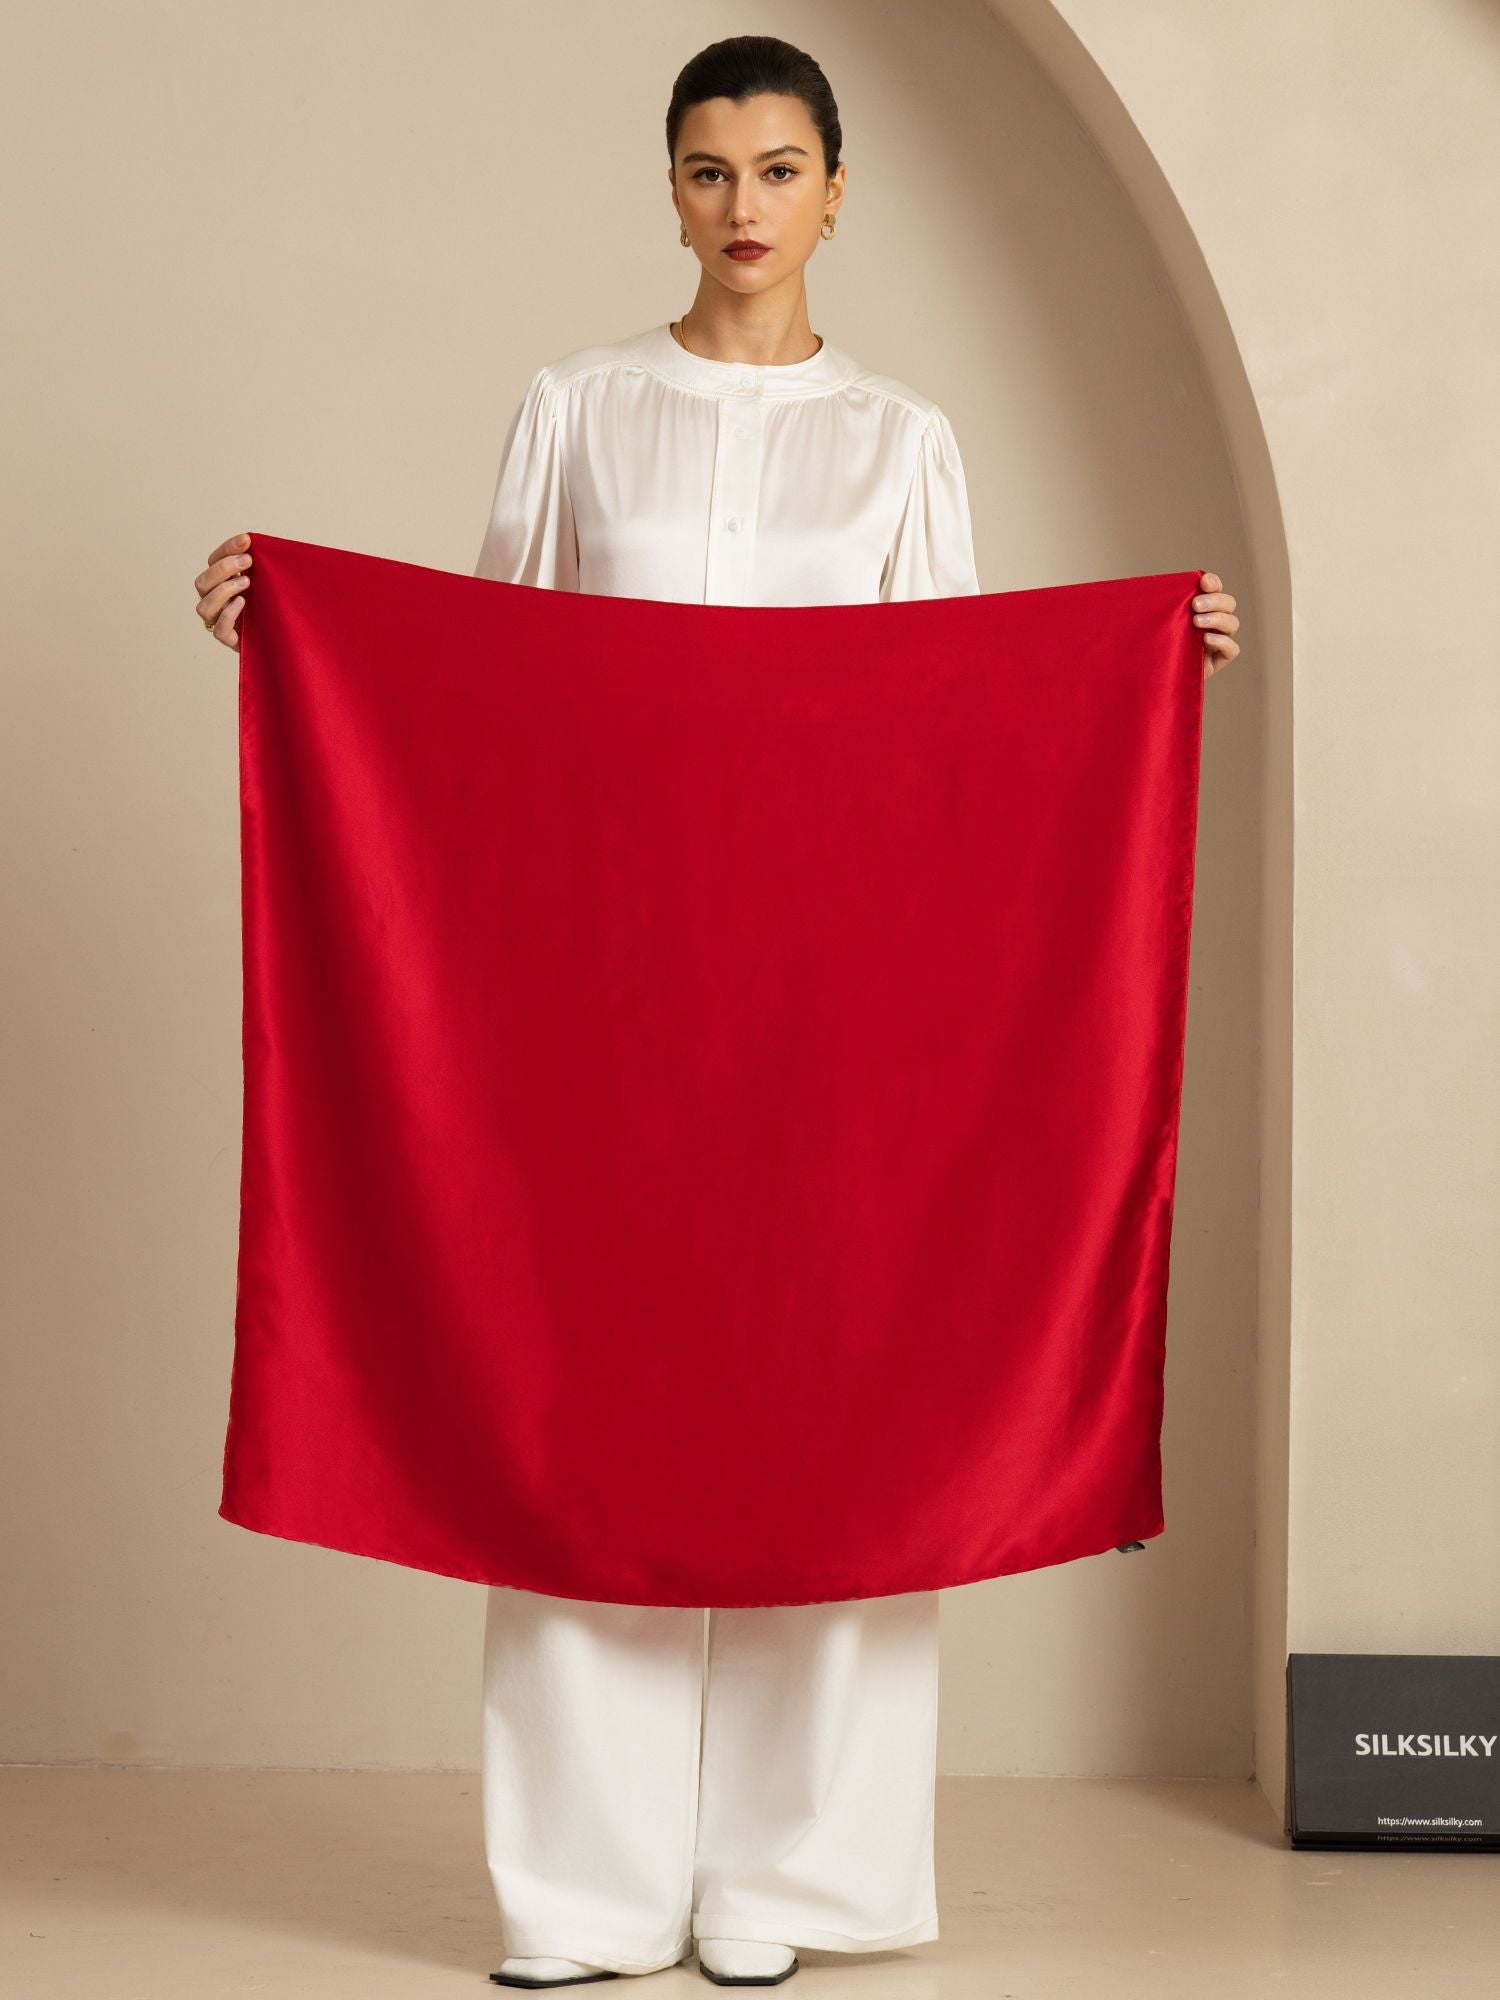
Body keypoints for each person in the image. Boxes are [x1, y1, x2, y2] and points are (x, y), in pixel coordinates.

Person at [193, 33, 1241, 1993]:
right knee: (574, 1408)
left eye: (775, 169)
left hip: (835, 1009)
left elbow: (957, 724)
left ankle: (795, 1879)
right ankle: (580, 1893)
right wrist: (305, 631)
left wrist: (1137, 664)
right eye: (706, 169)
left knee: (836, 1408)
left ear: (837, 190)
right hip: (601, 1005)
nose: (742, 205)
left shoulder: (902, 439)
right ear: (668, 191)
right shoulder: (578, 408)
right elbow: (484, 688)